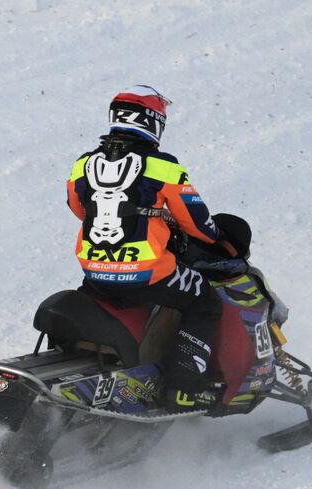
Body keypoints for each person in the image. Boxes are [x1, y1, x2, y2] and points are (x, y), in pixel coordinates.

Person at [67, 86, 238, 412]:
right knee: (205, 302)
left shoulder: (83, 164)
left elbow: (78, 208)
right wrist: (217, 237)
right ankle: (184, 388)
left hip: (95, 272)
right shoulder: (164, 167)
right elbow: (198, 223)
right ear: (153, 122)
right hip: (147, 275)